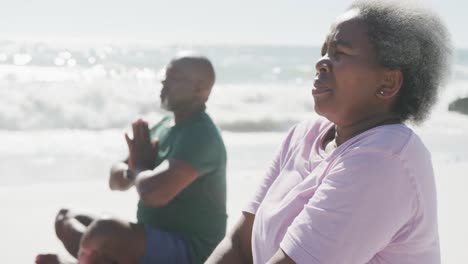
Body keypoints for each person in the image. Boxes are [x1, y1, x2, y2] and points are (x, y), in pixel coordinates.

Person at [206, 1, 451, 263]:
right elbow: (240, 244)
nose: (321, 62)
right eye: (324, 51)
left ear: (388, 82)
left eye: (340, 53)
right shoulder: (304, 135)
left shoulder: (384, 158)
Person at [36, 53, 227, 264]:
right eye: (165, 76)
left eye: (173, 78)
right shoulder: (164, 126)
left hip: (191, 251)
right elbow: (115, 179)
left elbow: (154, 194)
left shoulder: (201, 136)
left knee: (103, 231)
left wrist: (139, 168)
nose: (164, 82)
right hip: (151, 236)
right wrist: (132, 170)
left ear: (200, 89)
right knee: (66, 219)